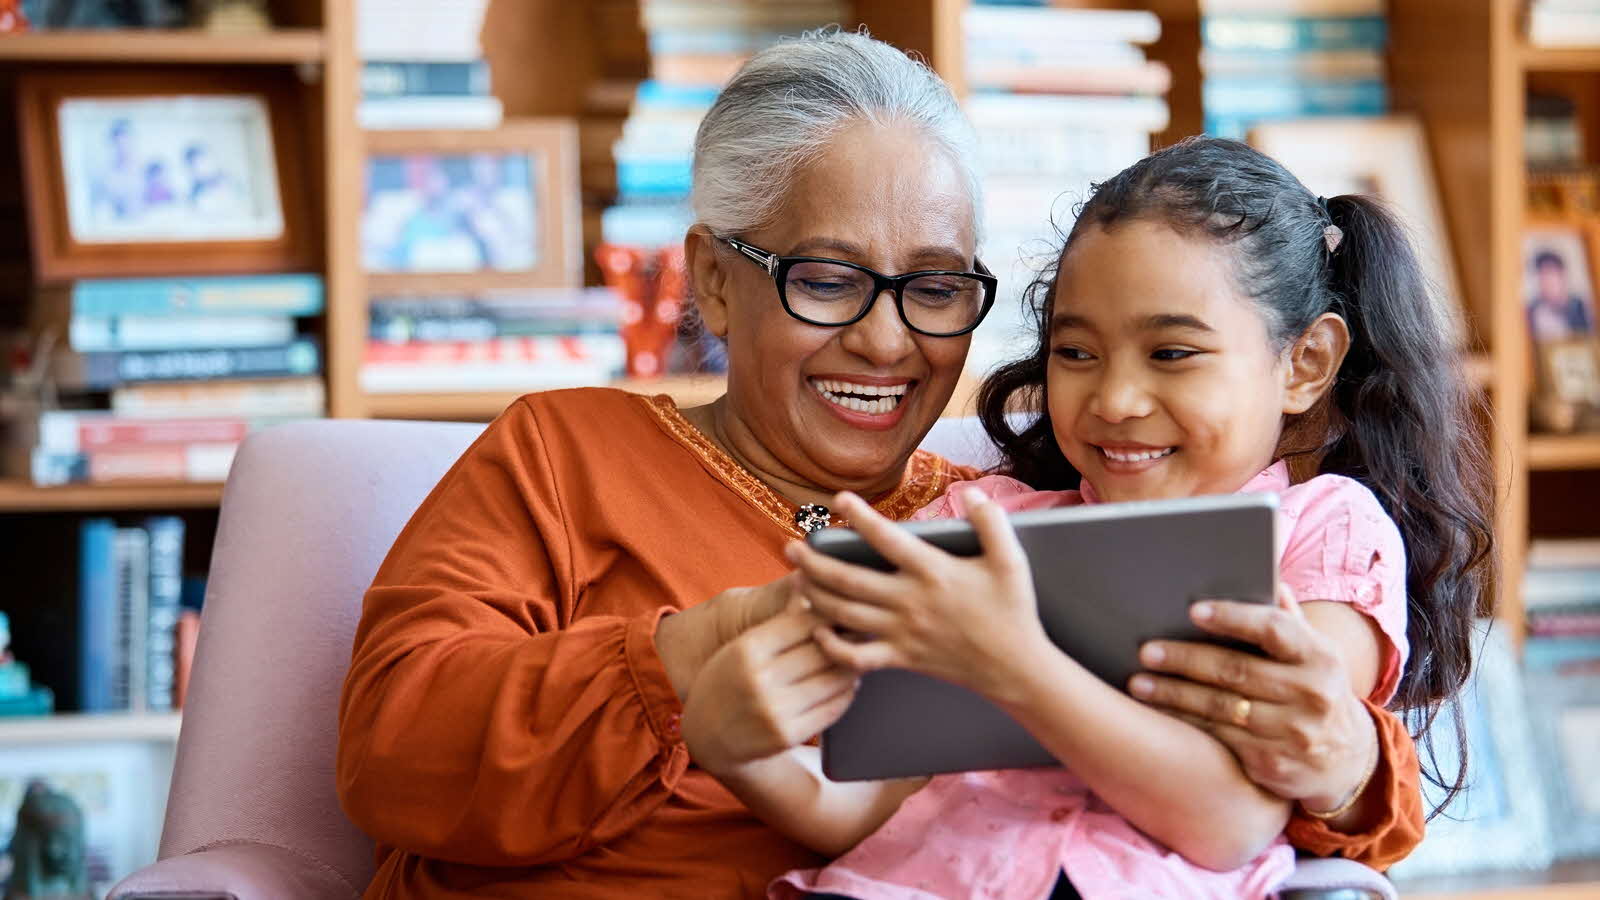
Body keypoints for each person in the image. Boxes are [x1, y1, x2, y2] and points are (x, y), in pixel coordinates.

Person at [337, 34, 1429, 899]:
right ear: (713, 283)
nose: (887, 341)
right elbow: (393, 751)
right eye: (829, 279)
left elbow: (1275, 794)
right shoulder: (563, 452)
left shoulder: (1008, 527)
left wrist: (1348, 764)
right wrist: (687, 662)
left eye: (936, 287)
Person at [751, 138, 1493, 899]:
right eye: (1076, 352)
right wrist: (733, 743)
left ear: (1303, 364)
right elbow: (873, 803)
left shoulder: (1324, 530)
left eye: (1171, 353)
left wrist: (1015, 667)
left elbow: (1228, 816)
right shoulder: (982, 520)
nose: (1113, 401)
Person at [1526, 249, 1595, 342]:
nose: (1546, 281)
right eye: (1542, 276)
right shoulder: (1533, 310)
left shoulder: (1579, 306)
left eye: (1550, 274)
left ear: (1562, 276)